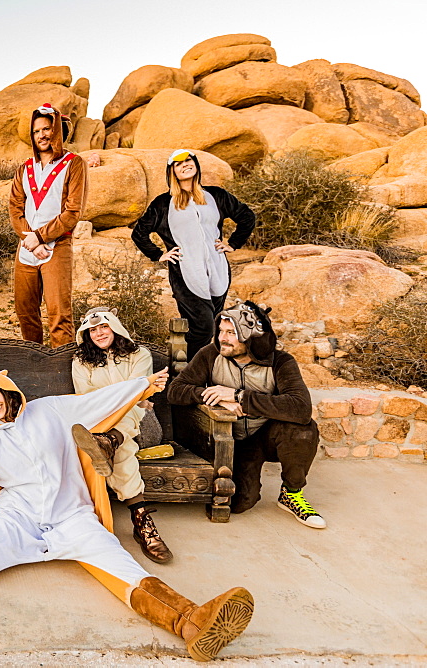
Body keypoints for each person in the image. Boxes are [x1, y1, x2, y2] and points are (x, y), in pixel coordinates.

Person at [0, 370, 256, 662]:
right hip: (16, 519)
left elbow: (97, 402)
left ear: (8, 391)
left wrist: (141, 384)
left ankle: (192, 622)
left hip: (72, 517)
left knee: (124, 569)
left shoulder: (49, 409)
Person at [168, 301, 325, 528]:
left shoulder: (280, 362)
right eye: (221, 331)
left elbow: (300, 408)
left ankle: (291, 493)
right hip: (232, 441)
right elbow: (175, 391)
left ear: (251, 336)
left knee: (302, 430)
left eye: (231, 333)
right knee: (239, 503)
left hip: (265, 435)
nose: (223, 338)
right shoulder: (211, 354)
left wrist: (240, 397)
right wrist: (218, 397)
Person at [131, 149, 256, 360]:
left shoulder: (216, 196)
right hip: (185, 272)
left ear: (196, 164)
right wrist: (158, 254)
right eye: (178, 164)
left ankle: (193, 371)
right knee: (204, 327)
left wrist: (233, 243)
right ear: (172, 172)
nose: (185, 164)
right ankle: (184, 372)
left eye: (189, 160)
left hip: (217, 270)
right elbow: (139, 233)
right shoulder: (163, 203)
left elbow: (247, 217)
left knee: (212, 325)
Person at [72, 307, 174, 563]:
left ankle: (110, 442)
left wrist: (132, 396)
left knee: (133, 408)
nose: (98, 333)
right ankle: (141, 519)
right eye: (92, 330)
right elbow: (88, 401)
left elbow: (136, 393)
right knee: (121, 445)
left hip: (144, 427)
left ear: (114, 326)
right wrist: (131, 395)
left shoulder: (140, 355)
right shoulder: (80, 361)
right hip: (101, 426)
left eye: (103, 327)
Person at [9, 103, 87, 348]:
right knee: (25, 311)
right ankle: (34, 364)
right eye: (36, 131)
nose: (42, 135)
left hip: (57, 245)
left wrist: (40, 237)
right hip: (27, 247)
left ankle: (61, 369)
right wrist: (31, 241)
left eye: (47, 129)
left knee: (59, 313)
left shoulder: (74, 163)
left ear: (57, 131)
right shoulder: (25, 168)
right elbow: (15, 207)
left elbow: (73, 211)